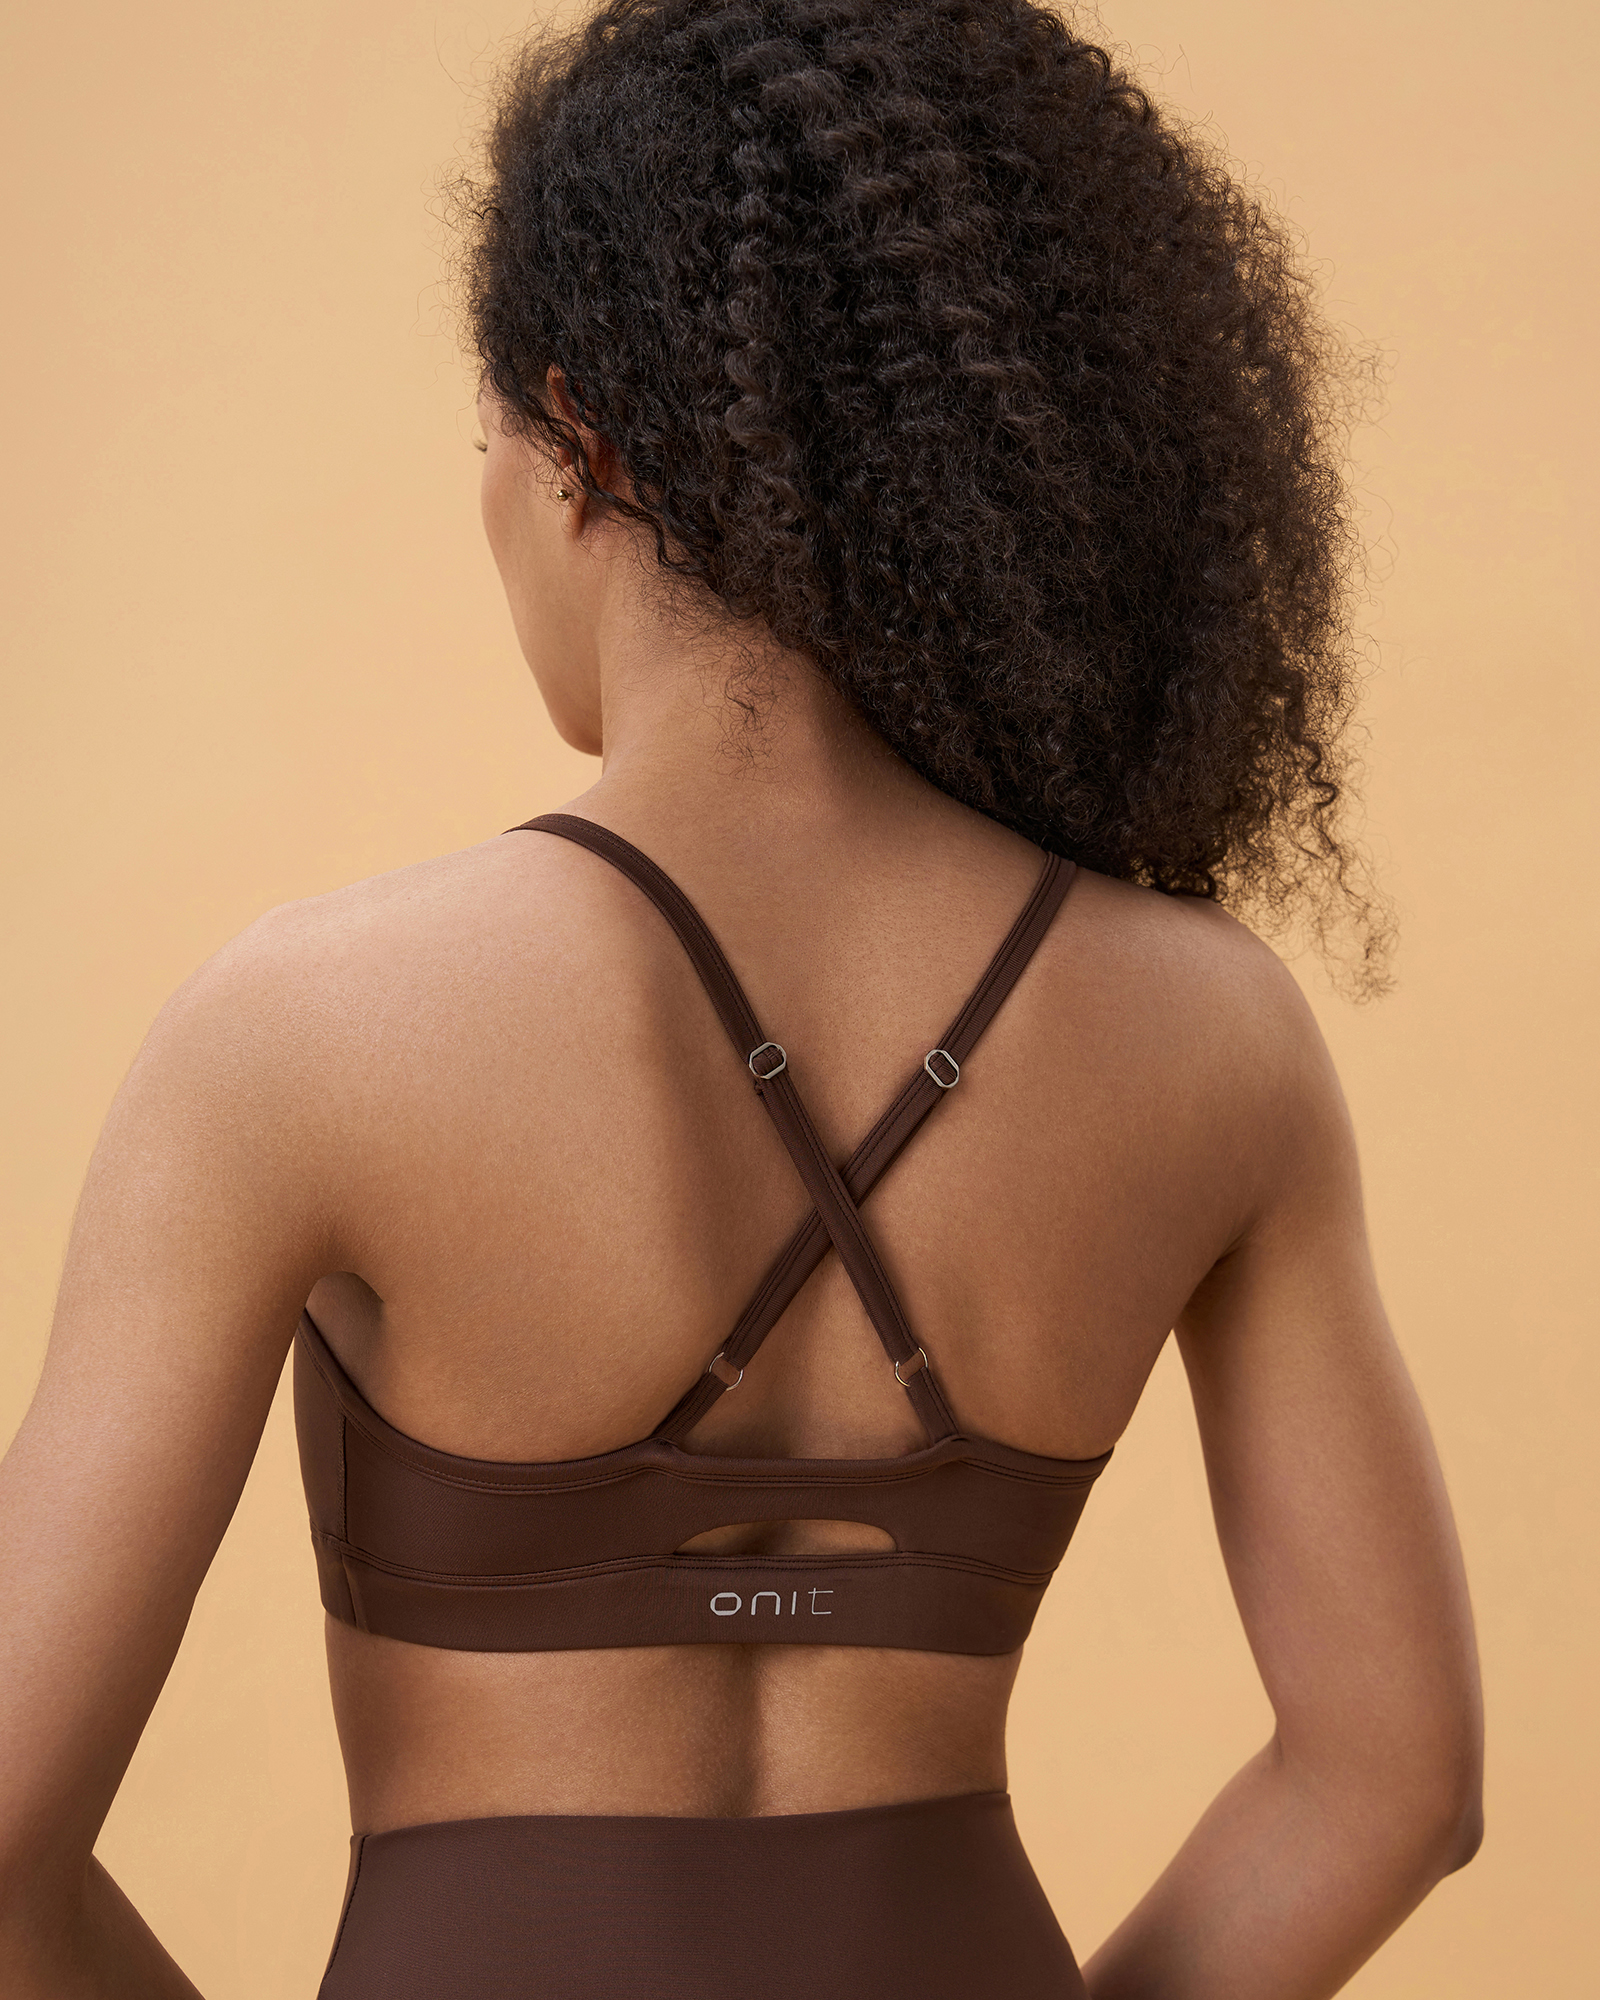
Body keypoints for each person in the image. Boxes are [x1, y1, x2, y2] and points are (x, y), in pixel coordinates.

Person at [0, 1, 1483, 1994]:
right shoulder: (1213, 1039)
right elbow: (1395, 1779)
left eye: (488, 448)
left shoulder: (302, 1033)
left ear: (583, 446)